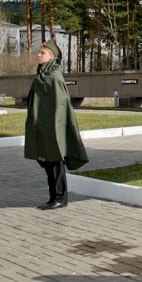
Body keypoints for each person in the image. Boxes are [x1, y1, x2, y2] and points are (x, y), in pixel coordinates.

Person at [24, 39, 88, 210]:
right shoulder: (42, 74)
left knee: (55, 162)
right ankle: (53, 197)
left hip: (52, 127)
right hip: (42, 125)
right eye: (40, 52)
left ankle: (60, 197)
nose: (39, 55)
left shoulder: (54, 76)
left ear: (51, 56)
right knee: (46, 161)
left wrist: (56, 129)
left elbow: (60, 104)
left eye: (42, 53)